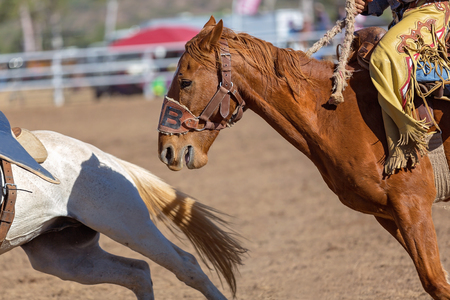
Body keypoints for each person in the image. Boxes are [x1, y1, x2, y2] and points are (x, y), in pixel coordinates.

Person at [355, 0, 450, 174]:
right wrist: (368, 5)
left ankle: (407, 135)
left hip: (430, 11)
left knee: (383, 56)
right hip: (402, 17)